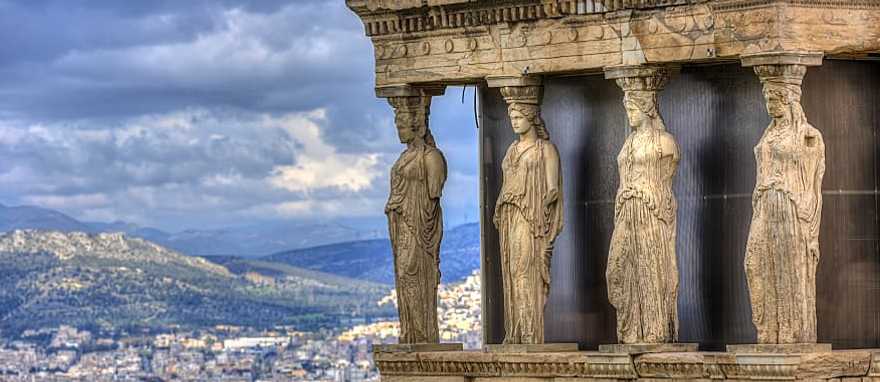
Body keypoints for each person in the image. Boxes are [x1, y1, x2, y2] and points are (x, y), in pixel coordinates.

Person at [745, 70, 825, 344]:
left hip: (790, 207)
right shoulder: (768, 134)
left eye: (774, 99)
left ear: (789, 100)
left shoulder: (808, 136)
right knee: (754, 264)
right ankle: (768, 329)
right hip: (765, 205)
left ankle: (791, 332)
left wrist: (808, 221)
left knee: (788, 268)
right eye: (767, 98)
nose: (769, 105)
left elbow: (813, 181)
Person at [606, 89, 680, 344]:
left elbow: (666, 178)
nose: (629, 115)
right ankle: (630, 328)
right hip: (626, 210)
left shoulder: (665, 142)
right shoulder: (628, 143)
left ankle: (654, 328)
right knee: (617, 270)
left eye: (633, 109)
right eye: (627, 109)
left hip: (650, 211)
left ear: (647, 109)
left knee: (651, 268)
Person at [494, 100, 563, 344]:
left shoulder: (545, 149)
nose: (514, 121)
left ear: (531, 117)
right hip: (510, 216)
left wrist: (542, 209)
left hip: (530, 218)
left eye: (518, 117)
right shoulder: (511, 150)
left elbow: (553, 188)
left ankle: (531, 333)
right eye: (511, 117)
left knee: (525, 271)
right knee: (513, 272)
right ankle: (517, 332)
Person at [385, 97, 447, 344]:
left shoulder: (431, 157)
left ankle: (423, 332)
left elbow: (433, 195)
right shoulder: (404, 157)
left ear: (416, 125)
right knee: (403, 275)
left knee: (412, 273)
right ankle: (411, 331)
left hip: (418, 226)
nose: (399, 130)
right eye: (397, 125)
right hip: (401, 224)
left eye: (402, 125)